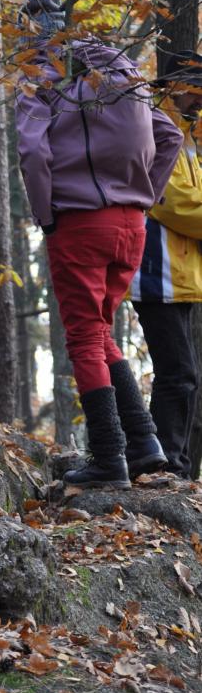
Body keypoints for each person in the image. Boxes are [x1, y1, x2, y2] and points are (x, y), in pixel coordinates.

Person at [16, 0, 183, 489]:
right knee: (101, 331)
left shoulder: (43, 71)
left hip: (79, 222)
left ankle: (108, 458)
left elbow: (32, 150)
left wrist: (46, 216)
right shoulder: (121, 68)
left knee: (84, 337)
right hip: (131, 223)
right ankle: (145, 442)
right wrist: (143, 198)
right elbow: (170, 136)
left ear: (30, 25)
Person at [131, 50, 202, 478]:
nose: (200, 100)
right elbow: (173, 203)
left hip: (178, 274)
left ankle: (168, 462)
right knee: (178, 372)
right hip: (155, 272)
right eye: (195, 91)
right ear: (175, 88)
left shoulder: (187, 136)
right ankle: (164, 464)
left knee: (180, 372)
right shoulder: (159, 130)